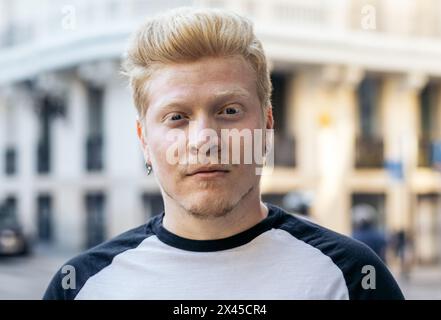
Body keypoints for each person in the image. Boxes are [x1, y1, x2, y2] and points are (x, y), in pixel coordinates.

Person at [43, 7, 404, 300]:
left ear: (266, 126)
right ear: (143, 140)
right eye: (177, 117)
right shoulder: (81, 287)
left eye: (229, 111)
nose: (205, 140)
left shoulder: (352, 278)